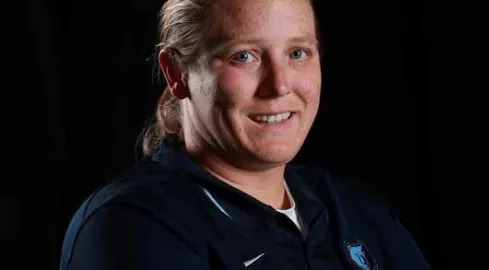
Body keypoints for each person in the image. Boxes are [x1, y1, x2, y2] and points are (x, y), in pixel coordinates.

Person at [59, 0, 432, 269]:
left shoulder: (357, 213)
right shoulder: (132, 227)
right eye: (244, 56)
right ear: (177, 72)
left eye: (298, 53)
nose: (280, 85)